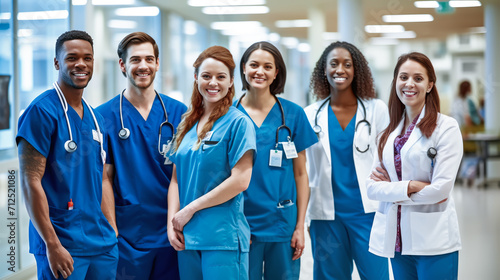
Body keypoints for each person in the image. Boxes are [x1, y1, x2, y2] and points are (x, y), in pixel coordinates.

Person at [17, 30, 118, 280]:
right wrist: (52, 245)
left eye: (88, 58)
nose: (81, 64)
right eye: (72, 57)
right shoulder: (41, 111)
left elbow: (103, 177)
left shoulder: (96, 118)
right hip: (62, 243)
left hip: (101, 242)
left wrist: (112, 228)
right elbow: (30, 181)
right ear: (56, 62)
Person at [96, 32, 187, 279]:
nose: (143, 66)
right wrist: (113, 229)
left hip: (173, 231)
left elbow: (186, 174)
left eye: (149, 59)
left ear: (158, 63)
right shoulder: (103, 116)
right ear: (123, 65)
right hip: (127, 234)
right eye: (135, 59)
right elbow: (105, 177)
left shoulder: (180, 113)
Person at [367, 52, 463, 280]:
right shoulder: (387, 133)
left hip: (434, 240)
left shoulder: (446, 128)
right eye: (403, 77)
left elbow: (440, 190)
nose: (409, 84)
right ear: (395, 82)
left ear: (430, 85)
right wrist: (412, 186)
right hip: (397, 241)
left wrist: (392, 191)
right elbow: (371, 188)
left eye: (418, 79)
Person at [167, 46, 256, 279]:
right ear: (196, 78)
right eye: (206, 76)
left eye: (221, 77)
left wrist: (189, 210)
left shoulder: (238, 123)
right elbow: (176, 179)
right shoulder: (188, 124)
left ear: (230, 82)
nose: (213, 83)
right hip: (186, 236)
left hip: (222, 238)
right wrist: (171, 223)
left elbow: (240, 181)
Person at [304, 41, 390, 280]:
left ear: (357, 70)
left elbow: (388, 160)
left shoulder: (376, 110)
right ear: (324, 70)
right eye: (333, 64)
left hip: (368, 213)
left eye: (347, 64)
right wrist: (305, 218)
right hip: (325, 215)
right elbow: (303, 169)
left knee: (376, 275)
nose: (339, 69)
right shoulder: (310, 114)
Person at [234, 41, 317, 280]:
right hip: (240, 222)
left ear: (276, 72)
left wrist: (300, 225)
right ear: (243, 68)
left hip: (281, 222)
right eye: (254, 65)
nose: (260, 71)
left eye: (267, 66)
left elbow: (301, 174)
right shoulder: (228, 114)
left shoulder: (293, 114)